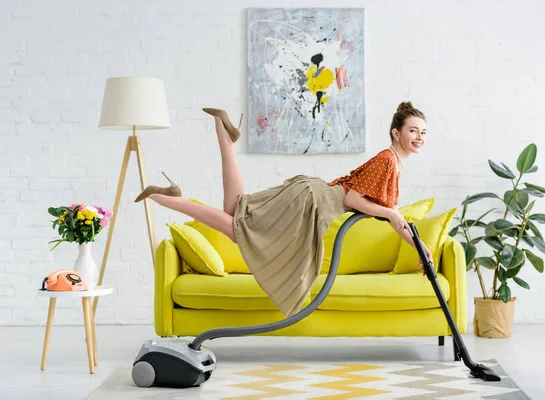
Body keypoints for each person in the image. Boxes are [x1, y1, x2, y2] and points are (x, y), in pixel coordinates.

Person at [134, 102, 432, 317]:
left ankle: (222, 139)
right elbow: (354, 200)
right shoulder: (388, 160)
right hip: (312, 202)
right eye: (413, 131)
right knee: (241, 230)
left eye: (423, 132)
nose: (419, 137)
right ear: (396, 133)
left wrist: (419, 248)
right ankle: (169, 199)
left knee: (236, 209)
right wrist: (392, 213)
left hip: (312, 200)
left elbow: (395, 218)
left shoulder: (394, 163)